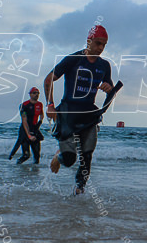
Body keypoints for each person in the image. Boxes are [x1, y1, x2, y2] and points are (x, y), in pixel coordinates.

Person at [44, 25, 114, 194]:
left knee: (87, 156)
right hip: (68, 113)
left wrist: (109, 89)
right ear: (88, 41)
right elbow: (48, 80)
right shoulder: (73, 59)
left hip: (89, 115)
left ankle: (78, 190)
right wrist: (50, 105)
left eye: (104, 45)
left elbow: (111, 93)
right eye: (98, 43)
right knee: (69, 159)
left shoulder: (104, 65)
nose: (100, 48)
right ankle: (57, 156)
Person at [9, 87, 44, 164]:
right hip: (25, 130)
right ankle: (16, 167)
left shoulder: (40, 104)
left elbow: (41, 114)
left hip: (34, 129)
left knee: (37, 156)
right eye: (34, 93)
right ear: (30, 94)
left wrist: (40, 122)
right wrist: (29, 135)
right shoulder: (24, 105)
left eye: (38, 93)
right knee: (26, 155)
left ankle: (35, 173)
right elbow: (24, 121)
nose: (36, 95)